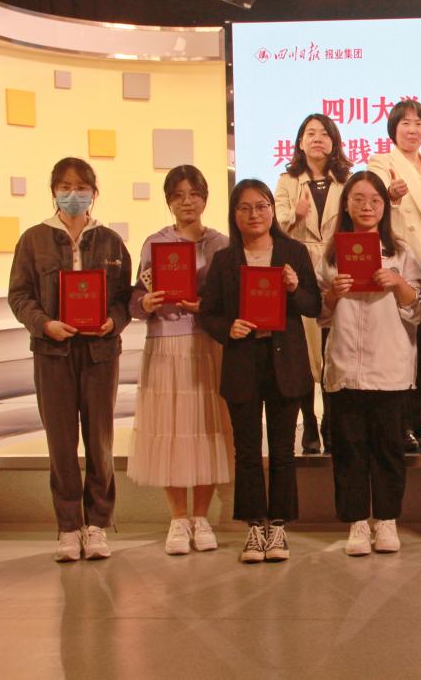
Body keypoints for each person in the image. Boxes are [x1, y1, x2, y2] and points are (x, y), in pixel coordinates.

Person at [8, 157, 131, 562]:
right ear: (54, 191)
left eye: (81, 187)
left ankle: (96, 525)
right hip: (52, 353)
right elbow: (20, 296)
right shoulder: (34, 240)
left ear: (94, 193)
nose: (73, 193)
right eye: (65, 186)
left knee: (100, 440)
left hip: (100, 354)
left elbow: (123, 299)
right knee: (60, 442)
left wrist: (112, 322)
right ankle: (67, 527)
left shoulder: (110, 241)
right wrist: (45, 324)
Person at [199, 179, 321, 563]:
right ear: (234, 214)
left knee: (283, 449)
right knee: (247, 450)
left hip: (285, 362)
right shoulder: (224, 260)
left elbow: (313, 305)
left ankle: (279, 526)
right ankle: (255, 527)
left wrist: (295, 287)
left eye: (261, 205)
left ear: (272, 210)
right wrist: (228, 328)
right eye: (245, 207)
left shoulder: (293, 252)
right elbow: (208, 314)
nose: (254, 214)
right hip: (243, 361)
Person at [127, 165, 233, 555]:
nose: (187, 202)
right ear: (169, 201)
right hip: (164, 346)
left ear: (205, 198)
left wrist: (207, 306)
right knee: (170, 430)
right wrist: (146, 302)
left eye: (194, 194)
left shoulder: (222, 245)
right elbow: (135, 298)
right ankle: (177, 518)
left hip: (207, 344)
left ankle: (201, 517)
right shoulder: (154, 243)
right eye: (178, 195)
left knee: (205, 429)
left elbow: (231, 301)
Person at [317, 171, 421, 556]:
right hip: (345, 366)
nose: (367, 206)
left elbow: (417, 311)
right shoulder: (330, 255)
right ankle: (358, 522)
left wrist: (398, 283)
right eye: (358, 199)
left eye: (375, 200)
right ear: (346, 205)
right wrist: (333, 294)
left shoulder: (401, 252)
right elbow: (321, 315)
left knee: (388, 449)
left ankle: (387, 520)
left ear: (385, 206)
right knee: (349, 449)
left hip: (390, 366)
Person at [368, 99, 421, 452]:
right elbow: (373, 204)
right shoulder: (381, 162)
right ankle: (400, 419)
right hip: (401, 258)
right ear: (393, 129)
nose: (413, 130)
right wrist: (391, 196)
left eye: (418, 124)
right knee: (402, 344)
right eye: (405, 124)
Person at [274, 113, 351, 454]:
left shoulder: (347, 180)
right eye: (310, 133)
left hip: (337, 265)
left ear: (334, 142)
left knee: (333, 345)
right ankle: (309, 422)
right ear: (300, 142)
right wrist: (297, 215)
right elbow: (275, 225)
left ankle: (332, 420)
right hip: (300, 266)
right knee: (305, 352)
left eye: (324, 134)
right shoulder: (287, 181)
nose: (317, 139)